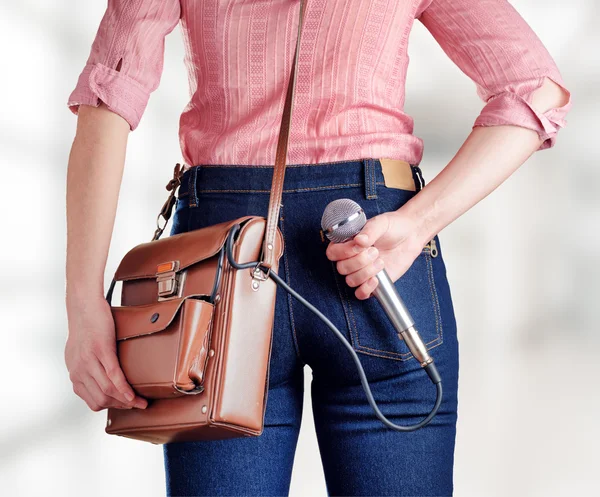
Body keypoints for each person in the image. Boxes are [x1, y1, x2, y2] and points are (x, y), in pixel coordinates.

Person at [63, 1, 572, 495]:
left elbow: (108, 99)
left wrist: (84, 302)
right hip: (372, 247)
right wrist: (417, 225)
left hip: (221, 265)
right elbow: (536, 91)